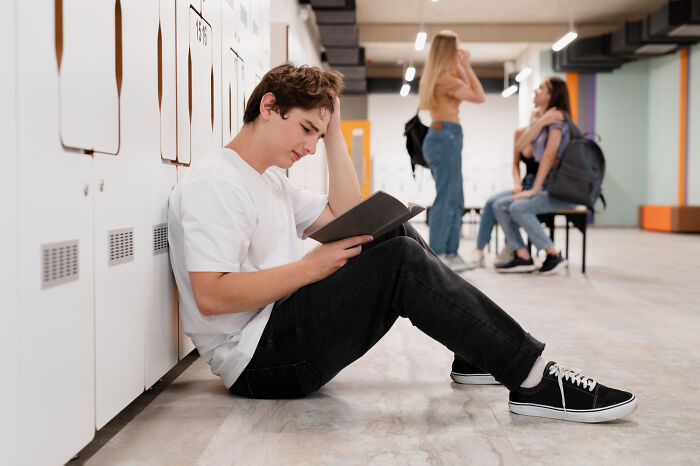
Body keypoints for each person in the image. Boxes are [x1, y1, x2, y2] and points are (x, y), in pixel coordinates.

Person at [167, 63, 637, 423]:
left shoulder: (270, 182)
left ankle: (477, 354)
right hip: (258, 362)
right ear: (269, 107)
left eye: (317, 133)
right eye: (307, 129)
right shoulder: (216, 184)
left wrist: (334, 136)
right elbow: (211, 295)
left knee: (386, 231)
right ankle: (532, 379)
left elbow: (349, 220)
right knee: (400, 262)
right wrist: (312, 267)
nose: (310, 146)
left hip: (278, 327)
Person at [492, 77, 576, 275]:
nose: (535, 91)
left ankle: (553, 254)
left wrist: (534, 190)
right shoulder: (545, 120)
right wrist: (539, 122)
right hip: (546, 187)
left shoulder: (558, 120)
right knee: (499, 205)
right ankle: (522, 255)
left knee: (519, 207)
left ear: (551, 95)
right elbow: (520, 146)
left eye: (541, 88)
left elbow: (548, 158)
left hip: (559, 190)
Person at [418, 31, 486, 272]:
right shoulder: (444, 79)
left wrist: (459, 65)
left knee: (455, 199)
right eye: (456, 47)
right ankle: (439, 254)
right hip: (445, 136)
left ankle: (449, 252)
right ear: (448, 50)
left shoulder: (442, 75)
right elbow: (479, 96)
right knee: (447, 200)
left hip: (446, 136)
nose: (460, 51)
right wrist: (466, 65)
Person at [470, 107, 542, 268]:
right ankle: (479, 249)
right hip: (525, 183)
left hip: (540, 186)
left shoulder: (546, 136)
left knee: (505, 205)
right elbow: (515, 164)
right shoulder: (520, 133)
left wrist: (538, 128)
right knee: (490, 202)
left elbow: (531, 153)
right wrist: (517, 184)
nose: (536, 113)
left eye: (540, 112)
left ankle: (512, 247)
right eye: (533, 111)